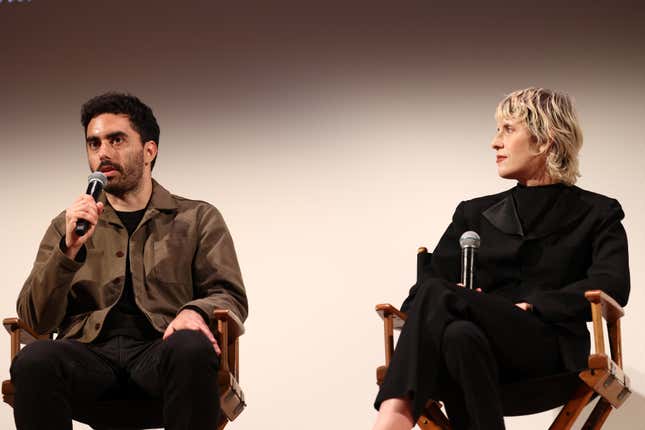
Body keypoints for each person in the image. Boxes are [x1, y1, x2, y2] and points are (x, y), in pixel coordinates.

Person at [372, 87, 630, 430]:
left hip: (551, 356)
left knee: (440, 295)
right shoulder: (473, 214)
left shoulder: (597, 212)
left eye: (508, 130)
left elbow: (612, 284)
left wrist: (533, 306)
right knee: (458, 333)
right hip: (474, 355)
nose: (495, 143)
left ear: (545, 140)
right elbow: (419, 295)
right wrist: (467, 302)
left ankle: (394, 414)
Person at [10, 92, 248, 430]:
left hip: (162, 352)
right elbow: (35, 317)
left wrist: (195, 311)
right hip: (90, 360)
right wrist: (69, 249)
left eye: (116, 140)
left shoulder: (197, 218)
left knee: (191, 348)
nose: (103, 153)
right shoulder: (67, 226)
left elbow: (229, 295)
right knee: (34, 360)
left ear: (149, 150)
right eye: (94, 144)